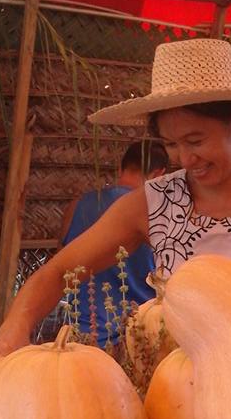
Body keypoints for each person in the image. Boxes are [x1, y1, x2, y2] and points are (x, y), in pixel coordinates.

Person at [0, 39, 231, 356]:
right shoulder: (154, 202)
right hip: (175, 401)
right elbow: (59, 271)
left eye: (195, 140)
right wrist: (14, 329)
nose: (185, 159)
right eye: (171, 144)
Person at [56, 141, 168, 347]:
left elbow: (61, 268)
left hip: (82, 338)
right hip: (138, 342)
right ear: (159, 175)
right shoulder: (155, 214)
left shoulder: (76, 206)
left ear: (121, 168)